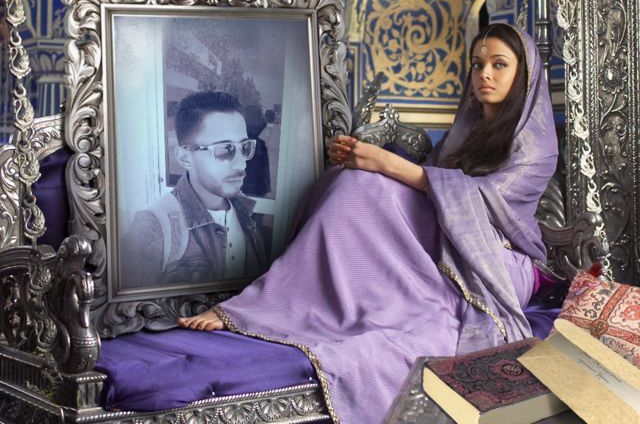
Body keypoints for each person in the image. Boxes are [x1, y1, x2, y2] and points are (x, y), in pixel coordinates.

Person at [177, 24, 558, 423]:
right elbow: (429, 187)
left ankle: (268, 305)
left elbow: (482, 200)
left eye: (499, 64)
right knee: (348, 180)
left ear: (524, 74)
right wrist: (364, 160)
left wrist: (386, 163)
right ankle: (294, 302)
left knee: (368, 184)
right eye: (477, 64)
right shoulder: (467, 133)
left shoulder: (536, 145)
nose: (485, 74)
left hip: (497, 263)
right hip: (447, 240)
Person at [120, 91, 268, 288]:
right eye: (225, 149)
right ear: (184, 158)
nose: (241, 164)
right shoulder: (153, 228)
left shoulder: (247, 217)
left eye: (245, 147)